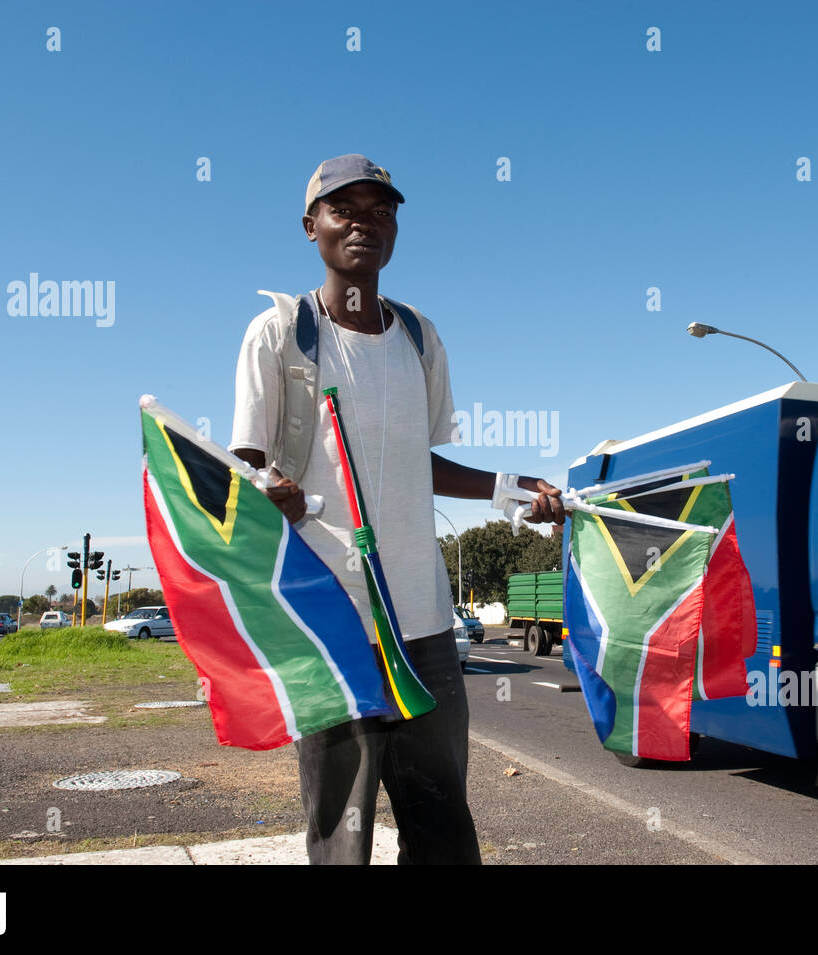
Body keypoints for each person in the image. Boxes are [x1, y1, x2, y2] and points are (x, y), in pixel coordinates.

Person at [229, 154, 565, 865]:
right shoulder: (280, 334)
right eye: (343, 208)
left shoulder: (419, 336)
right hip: (330, 625)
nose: (363, 223)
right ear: (310, 226)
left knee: (444, 829)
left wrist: (513, 490)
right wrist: (268, 496)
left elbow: (427, 462)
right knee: (342, 834)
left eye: (380, 210)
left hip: (424, 626)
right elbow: (246, 469)